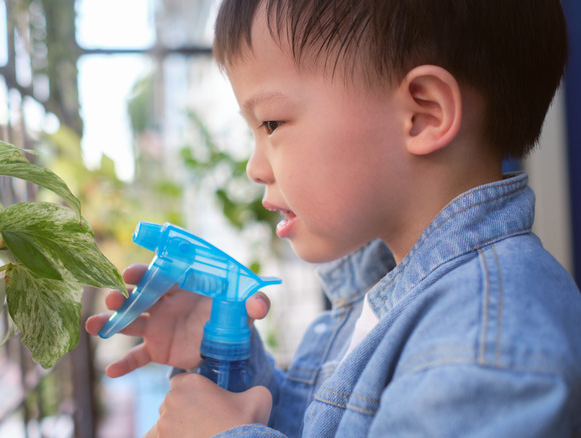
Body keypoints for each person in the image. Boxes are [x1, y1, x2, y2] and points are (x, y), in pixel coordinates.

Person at [86, 0, 581, 436]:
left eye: (271, 123)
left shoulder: (482, 347)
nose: (255, 168)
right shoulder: (388, 290)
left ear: (424, 114)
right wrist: (232, 365)